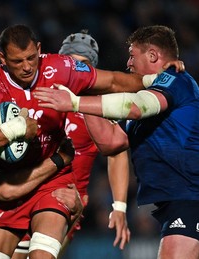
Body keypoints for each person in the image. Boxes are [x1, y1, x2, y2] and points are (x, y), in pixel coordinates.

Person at [0, 24, 182, 259]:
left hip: (58, 189)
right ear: (2, 58)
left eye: (31, 58)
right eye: (17, 61)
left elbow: (115, 97)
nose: (26, 67)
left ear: (40, 50)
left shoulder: (80, 91)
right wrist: (16, 129)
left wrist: (158, 78)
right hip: (17, 183)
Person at [33, 25, 199, 259]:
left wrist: (74, 103)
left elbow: (136, 108)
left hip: (191, 198)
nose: (129, 63)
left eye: (133, 56)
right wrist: (84, 90)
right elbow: (112, 143)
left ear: (153, 55)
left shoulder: (175, 79)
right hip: (180, 201)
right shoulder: (152, 102)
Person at [58, 30, 130, 255]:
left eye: (84, 64)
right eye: (71, 63)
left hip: (68, 204)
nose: (77, 70)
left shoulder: (98, 107)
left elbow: (117, 153)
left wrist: (119, 207)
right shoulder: (41, 94)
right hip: (28, 194)